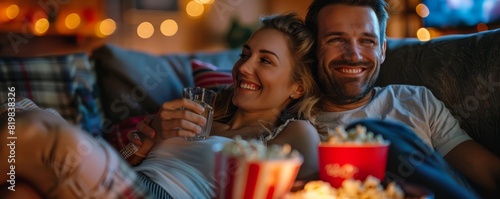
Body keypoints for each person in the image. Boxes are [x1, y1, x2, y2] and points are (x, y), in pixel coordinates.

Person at [0, 13, 321, 199]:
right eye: (245, 54)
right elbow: (128, 163)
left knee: (35, 134)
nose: (244, 68)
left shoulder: (295, 132)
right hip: (131, 182)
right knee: (20, 188)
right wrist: (147, 140)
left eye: (265, 60)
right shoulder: (196, 113)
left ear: (298, 86)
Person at [303, 0, 500, 198]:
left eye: (367, 41)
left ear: (382, 50)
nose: (354, 56)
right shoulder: (298, 126)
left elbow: (487, 173)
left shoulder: (416, 101)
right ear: (312, 49)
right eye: (336, 40)